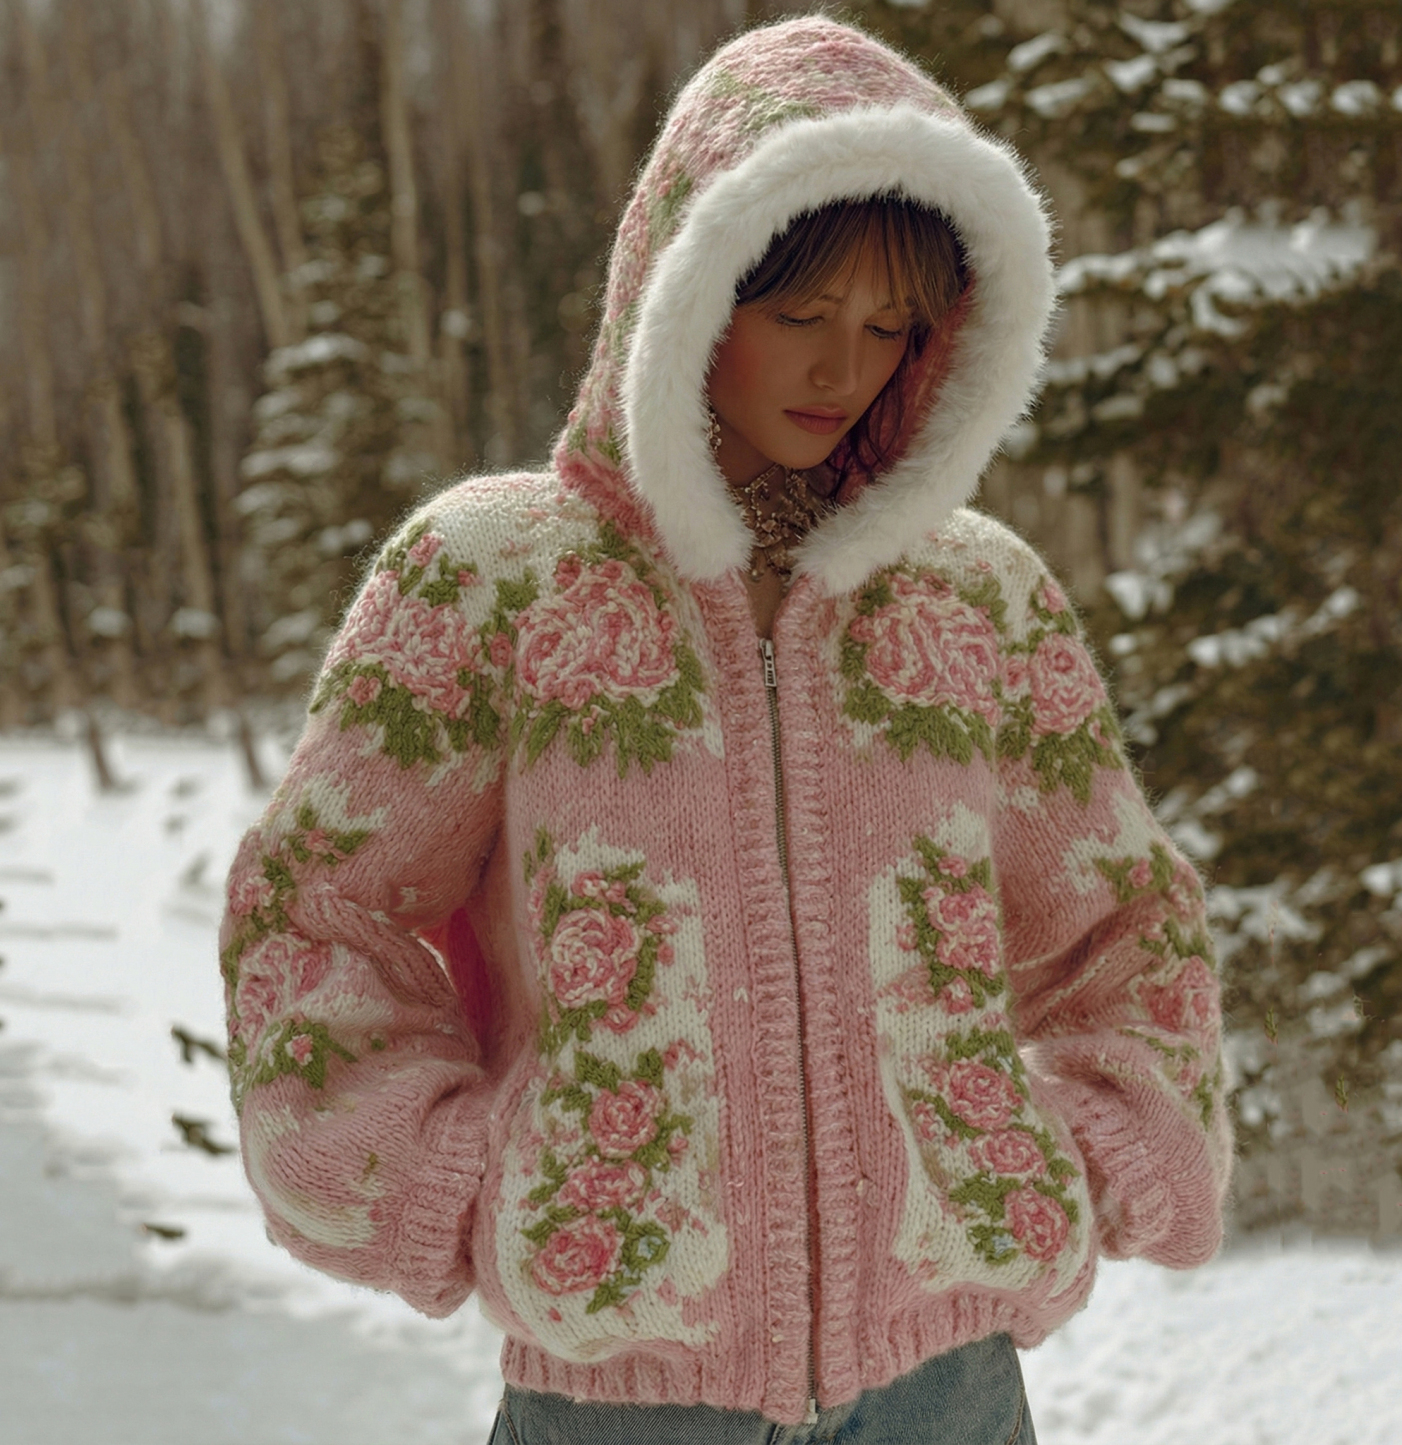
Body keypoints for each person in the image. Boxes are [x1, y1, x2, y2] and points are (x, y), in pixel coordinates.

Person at [219, 16, 1234, 1444]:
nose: (844, 368)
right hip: (622, 1400)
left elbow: (1126, 923)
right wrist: (466, 1186)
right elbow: (316, 910)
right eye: (800, 313)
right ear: (687, 288)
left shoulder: (979, 600)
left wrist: (1065, 1163)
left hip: (945, 1391)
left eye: (890, 325)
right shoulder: (493, 577)